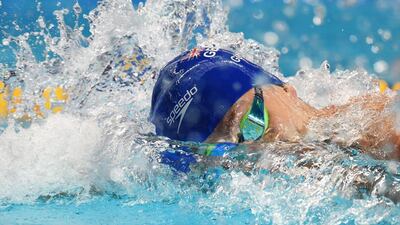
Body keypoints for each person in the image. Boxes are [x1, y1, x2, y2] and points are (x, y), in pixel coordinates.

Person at [149, 47, 400, 171]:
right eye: (223, 152)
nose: (254, 151)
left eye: (251, 125)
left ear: (285, 90)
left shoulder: (378, 128)